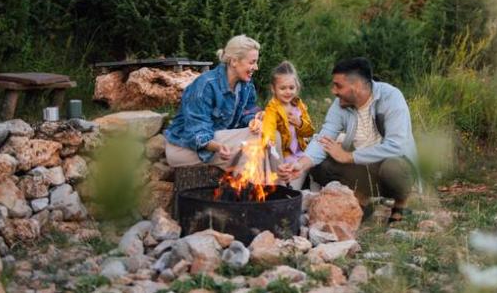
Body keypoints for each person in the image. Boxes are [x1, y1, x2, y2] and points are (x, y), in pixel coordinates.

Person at [278, 57, 418, 223]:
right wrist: (300, 165)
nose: (333, 91)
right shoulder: (341, 104)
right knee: (321, 167)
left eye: (338, 85)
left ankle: (400, 203)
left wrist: (349, 157)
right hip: (363, 168)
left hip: (394, 163)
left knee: (392, 168)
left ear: (357, 86)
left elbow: (396, 146)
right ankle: (361, 198)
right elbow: (324, 138)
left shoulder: (391, 98)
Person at [164, 35, 265, 172]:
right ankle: (255, 191)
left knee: (268, 133)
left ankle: (282, 189)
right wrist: (217, 148)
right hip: (185, 148)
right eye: (252, 62)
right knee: (250, 149)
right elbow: (196, 133)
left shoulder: (246, 85)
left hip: (217, 137)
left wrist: (256, 119)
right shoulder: (205, 85)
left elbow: (248, 112)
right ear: (234, 61)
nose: (256, 67)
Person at [260, 61, 315, 189]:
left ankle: (312, 188)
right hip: (286, 154)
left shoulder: (298, 106)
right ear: (274, 89)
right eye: (282, 88)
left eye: (291, 88)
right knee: (290, 175)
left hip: (300, 150)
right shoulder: (273, 108)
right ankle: (291, 189)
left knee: (313, 162)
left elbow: (309, 131)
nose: (288, 92)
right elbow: (268, 125)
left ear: (297, 87)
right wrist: (269, 139)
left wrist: (300, 123)